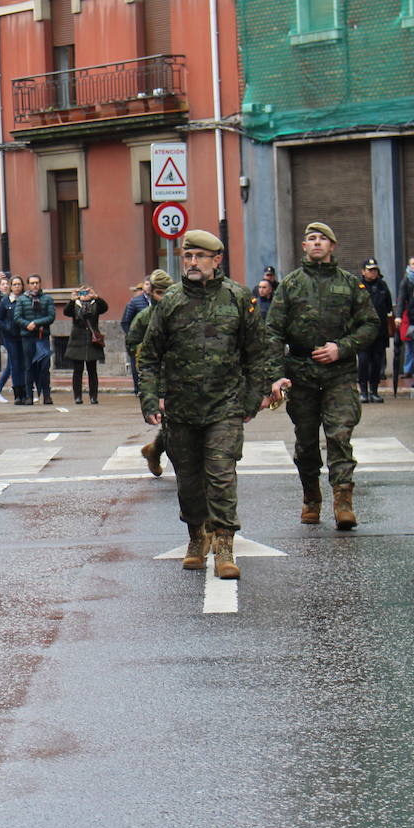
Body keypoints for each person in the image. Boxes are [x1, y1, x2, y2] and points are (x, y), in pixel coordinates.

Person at [137, 230, 279, 580]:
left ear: (217, 260)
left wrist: (254, 395)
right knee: (187, 479)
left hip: (225, 406)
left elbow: (257, 352)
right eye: (188, 257)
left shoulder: (237, 298)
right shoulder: (170, 301)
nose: (193, 263)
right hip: (182, 409)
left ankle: (225, 545)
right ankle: (196, 538)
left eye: (200, 256)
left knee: (221, 475)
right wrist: (150, 398)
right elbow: (149, 355)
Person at [266, 222, 379, 529]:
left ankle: (343, 501)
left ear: (332, 245)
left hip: (338, 373)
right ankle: (311, 497)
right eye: (311, 239)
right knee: (305, 441)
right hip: (300, 374)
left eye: (322, 239)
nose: (316, 243)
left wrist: (341, 348)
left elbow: (370, 324)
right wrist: (276, 377)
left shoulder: (349, 284)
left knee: (339, 435)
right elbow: (273, 331)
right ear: (304, 247)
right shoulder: (290, 285)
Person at [125, 269, 173, 476]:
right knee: (174, 428)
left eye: (168, 293)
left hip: (183, 378)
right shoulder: (144, 318)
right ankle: (156, 452)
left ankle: (154, 450)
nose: (164, 298)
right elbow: (134, 346)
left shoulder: (180, 314)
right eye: (160, 293)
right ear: (151, 293)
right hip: (159, 380)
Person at [62, 284, 109, 405]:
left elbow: (105, 308)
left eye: (86, 293)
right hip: (77, 339)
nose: (84, 296)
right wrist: (72, 300)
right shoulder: (75, 304)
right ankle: (77, 396)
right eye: (82, 293)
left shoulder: (95, 304)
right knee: (77, 370)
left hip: (92, 340)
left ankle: (93, 396)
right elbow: (66, 312)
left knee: (92, 370)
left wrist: (96, 296)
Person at [357, 258, 395, 403]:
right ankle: (363, 392)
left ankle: (374, 391)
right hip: (363, 331)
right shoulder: (358, 286)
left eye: (375, 270)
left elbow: (388, 308)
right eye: (370, 270)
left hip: (380, 331)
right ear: (363, 271)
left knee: (377, 361)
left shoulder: (382, 285)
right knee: (364, 361)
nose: (373, 272)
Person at [14, 274, 56, 404]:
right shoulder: (22, 300)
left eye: (37, 282)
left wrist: (36, 323)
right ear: (28, 285)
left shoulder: (47, 299)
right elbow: (17, 317)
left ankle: (47, 395)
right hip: (27, 337)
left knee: (44, 367)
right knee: (29, 366)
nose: (35, 285)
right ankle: (29, 396)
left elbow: (51, 316)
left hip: (42, 337)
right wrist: (27, 325)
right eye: (32, 283)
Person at [0, 275, 25, 403]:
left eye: (19, 284)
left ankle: (26, 392)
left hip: (24, 336)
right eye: (15, 284)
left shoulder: (25, 299)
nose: (17, 287)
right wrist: (7, 327)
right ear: (11, 287)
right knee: (15, 364)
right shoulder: (5, 301)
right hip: (10, 338)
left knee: (25, 364)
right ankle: (18, 393)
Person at [120, 280, 151, 395]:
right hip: (138, 340)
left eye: (151, 284)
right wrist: (132, 337)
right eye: (147, 284)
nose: (149, 287)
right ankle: (138, 388)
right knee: (136, 365)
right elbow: (125, 322)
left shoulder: (159, 300)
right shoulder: (135, 302)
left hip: (154, 339)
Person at [397, 257, 414, 379]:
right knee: (410, 344)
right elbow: (401, 300)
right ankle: (408, 370)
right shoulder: (406, 281)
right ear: (409, 266)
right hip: (411, 317)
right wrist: (398, 316)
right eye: (413, 264)